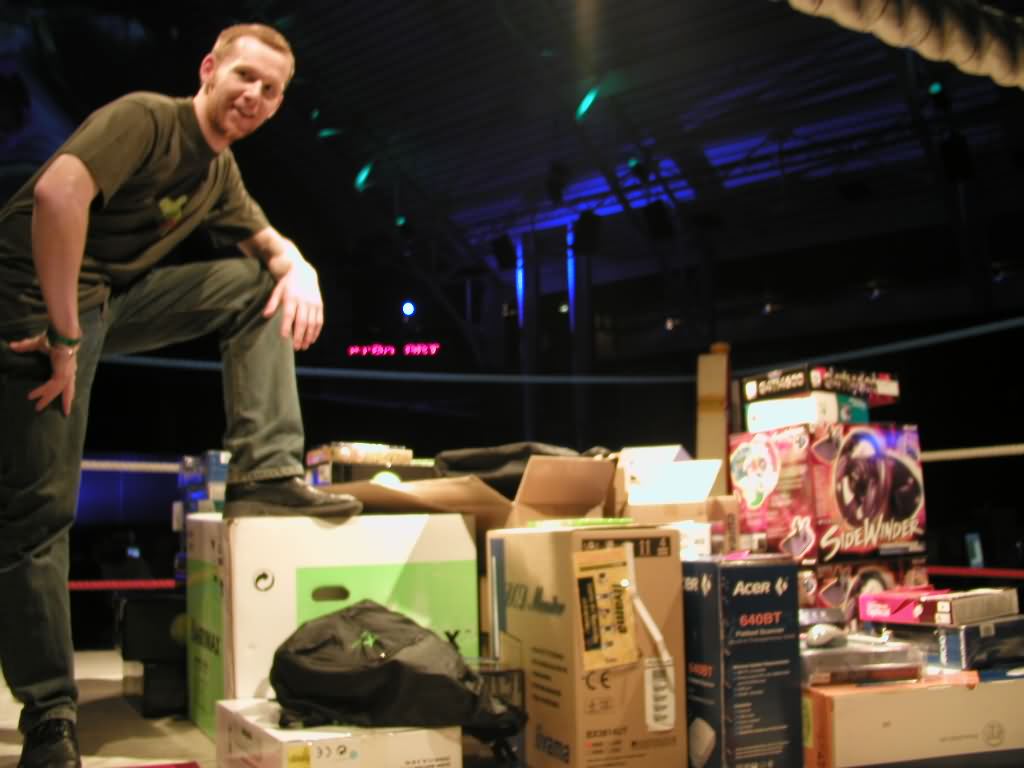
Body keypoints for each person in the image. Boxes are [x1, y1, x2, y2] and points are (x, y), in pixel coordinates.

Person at [0, 23, 362, 768]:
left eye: (271, 90)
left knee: (256, 286)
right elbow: (58, 195)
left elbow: (267, 246)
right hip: (33, 297)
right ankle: (49, 715)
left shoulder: (217, 174)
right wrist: (64, 335)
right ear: (209, 70)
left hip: (104, 302)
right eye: (245, 77)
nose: (254, 96)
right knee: (39, 511)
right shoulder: (148, 119)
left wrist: (300, 267)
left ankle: (265, 475)